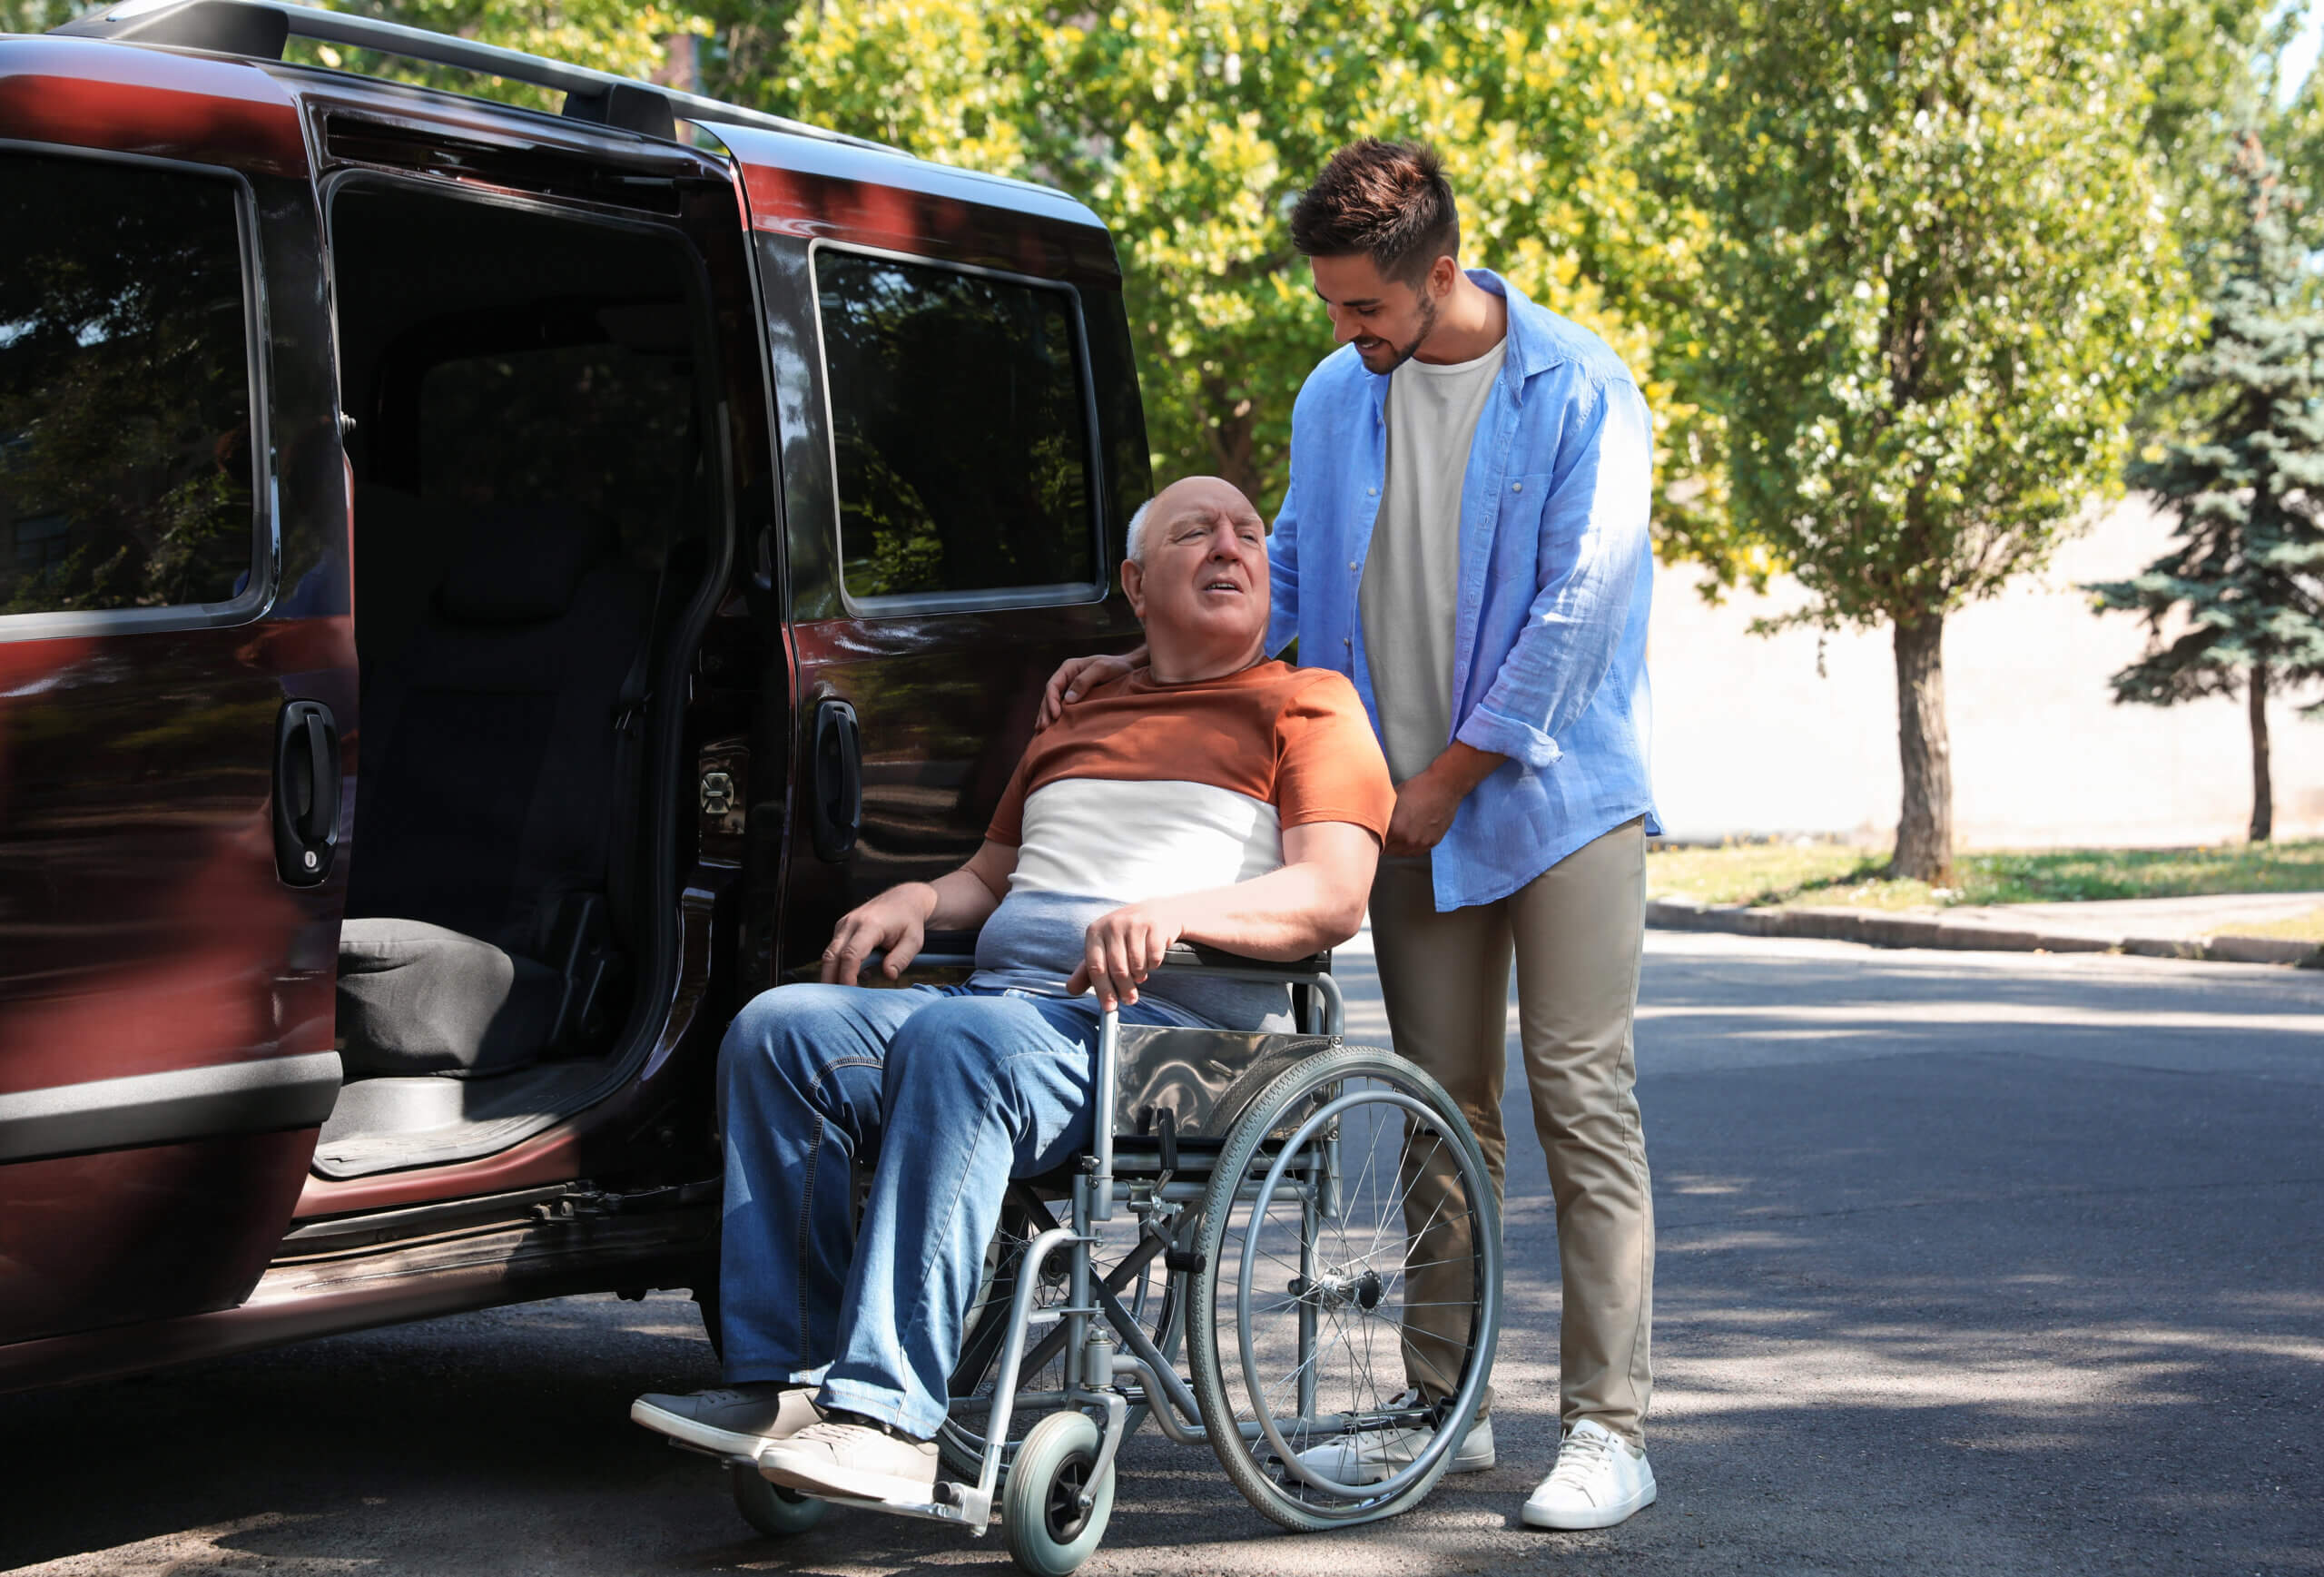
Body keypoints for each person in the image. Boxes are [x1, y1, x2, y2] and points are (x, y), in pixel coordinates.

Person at [1042, 139, 1660, 1531]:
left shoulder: (1580, 386)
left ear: (1439, 273)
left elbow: (1579, 614)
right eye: (1330, 307)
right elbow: (1297, 573)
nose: (1342, 331)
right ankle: (1451, 1411)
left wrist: (1442, 778)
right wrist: (1136, 667)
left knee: (1579, 1090)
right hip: (1407, 806)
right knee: (1444, 1110)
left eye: (1362, 308)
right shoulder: (1339, 395)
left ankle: (1611, 1428)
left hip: (1556, 794)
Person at [631, 475, 1395, 1504]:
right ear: (1134, 582)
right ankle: (793, 1387)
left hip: (1165, 1039)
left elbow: (1331, 898)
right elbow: (991, 879)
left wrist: (1177, 911)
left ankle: (891, 1419)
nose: (1232, 546)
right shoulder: (1078, 705)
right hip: (1011, 1017)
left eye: (1249, 533)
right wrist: (918, 896)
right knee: (780, 1029)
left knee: (962, 1047)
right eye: (1196, 533)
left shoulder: (1310, 704)